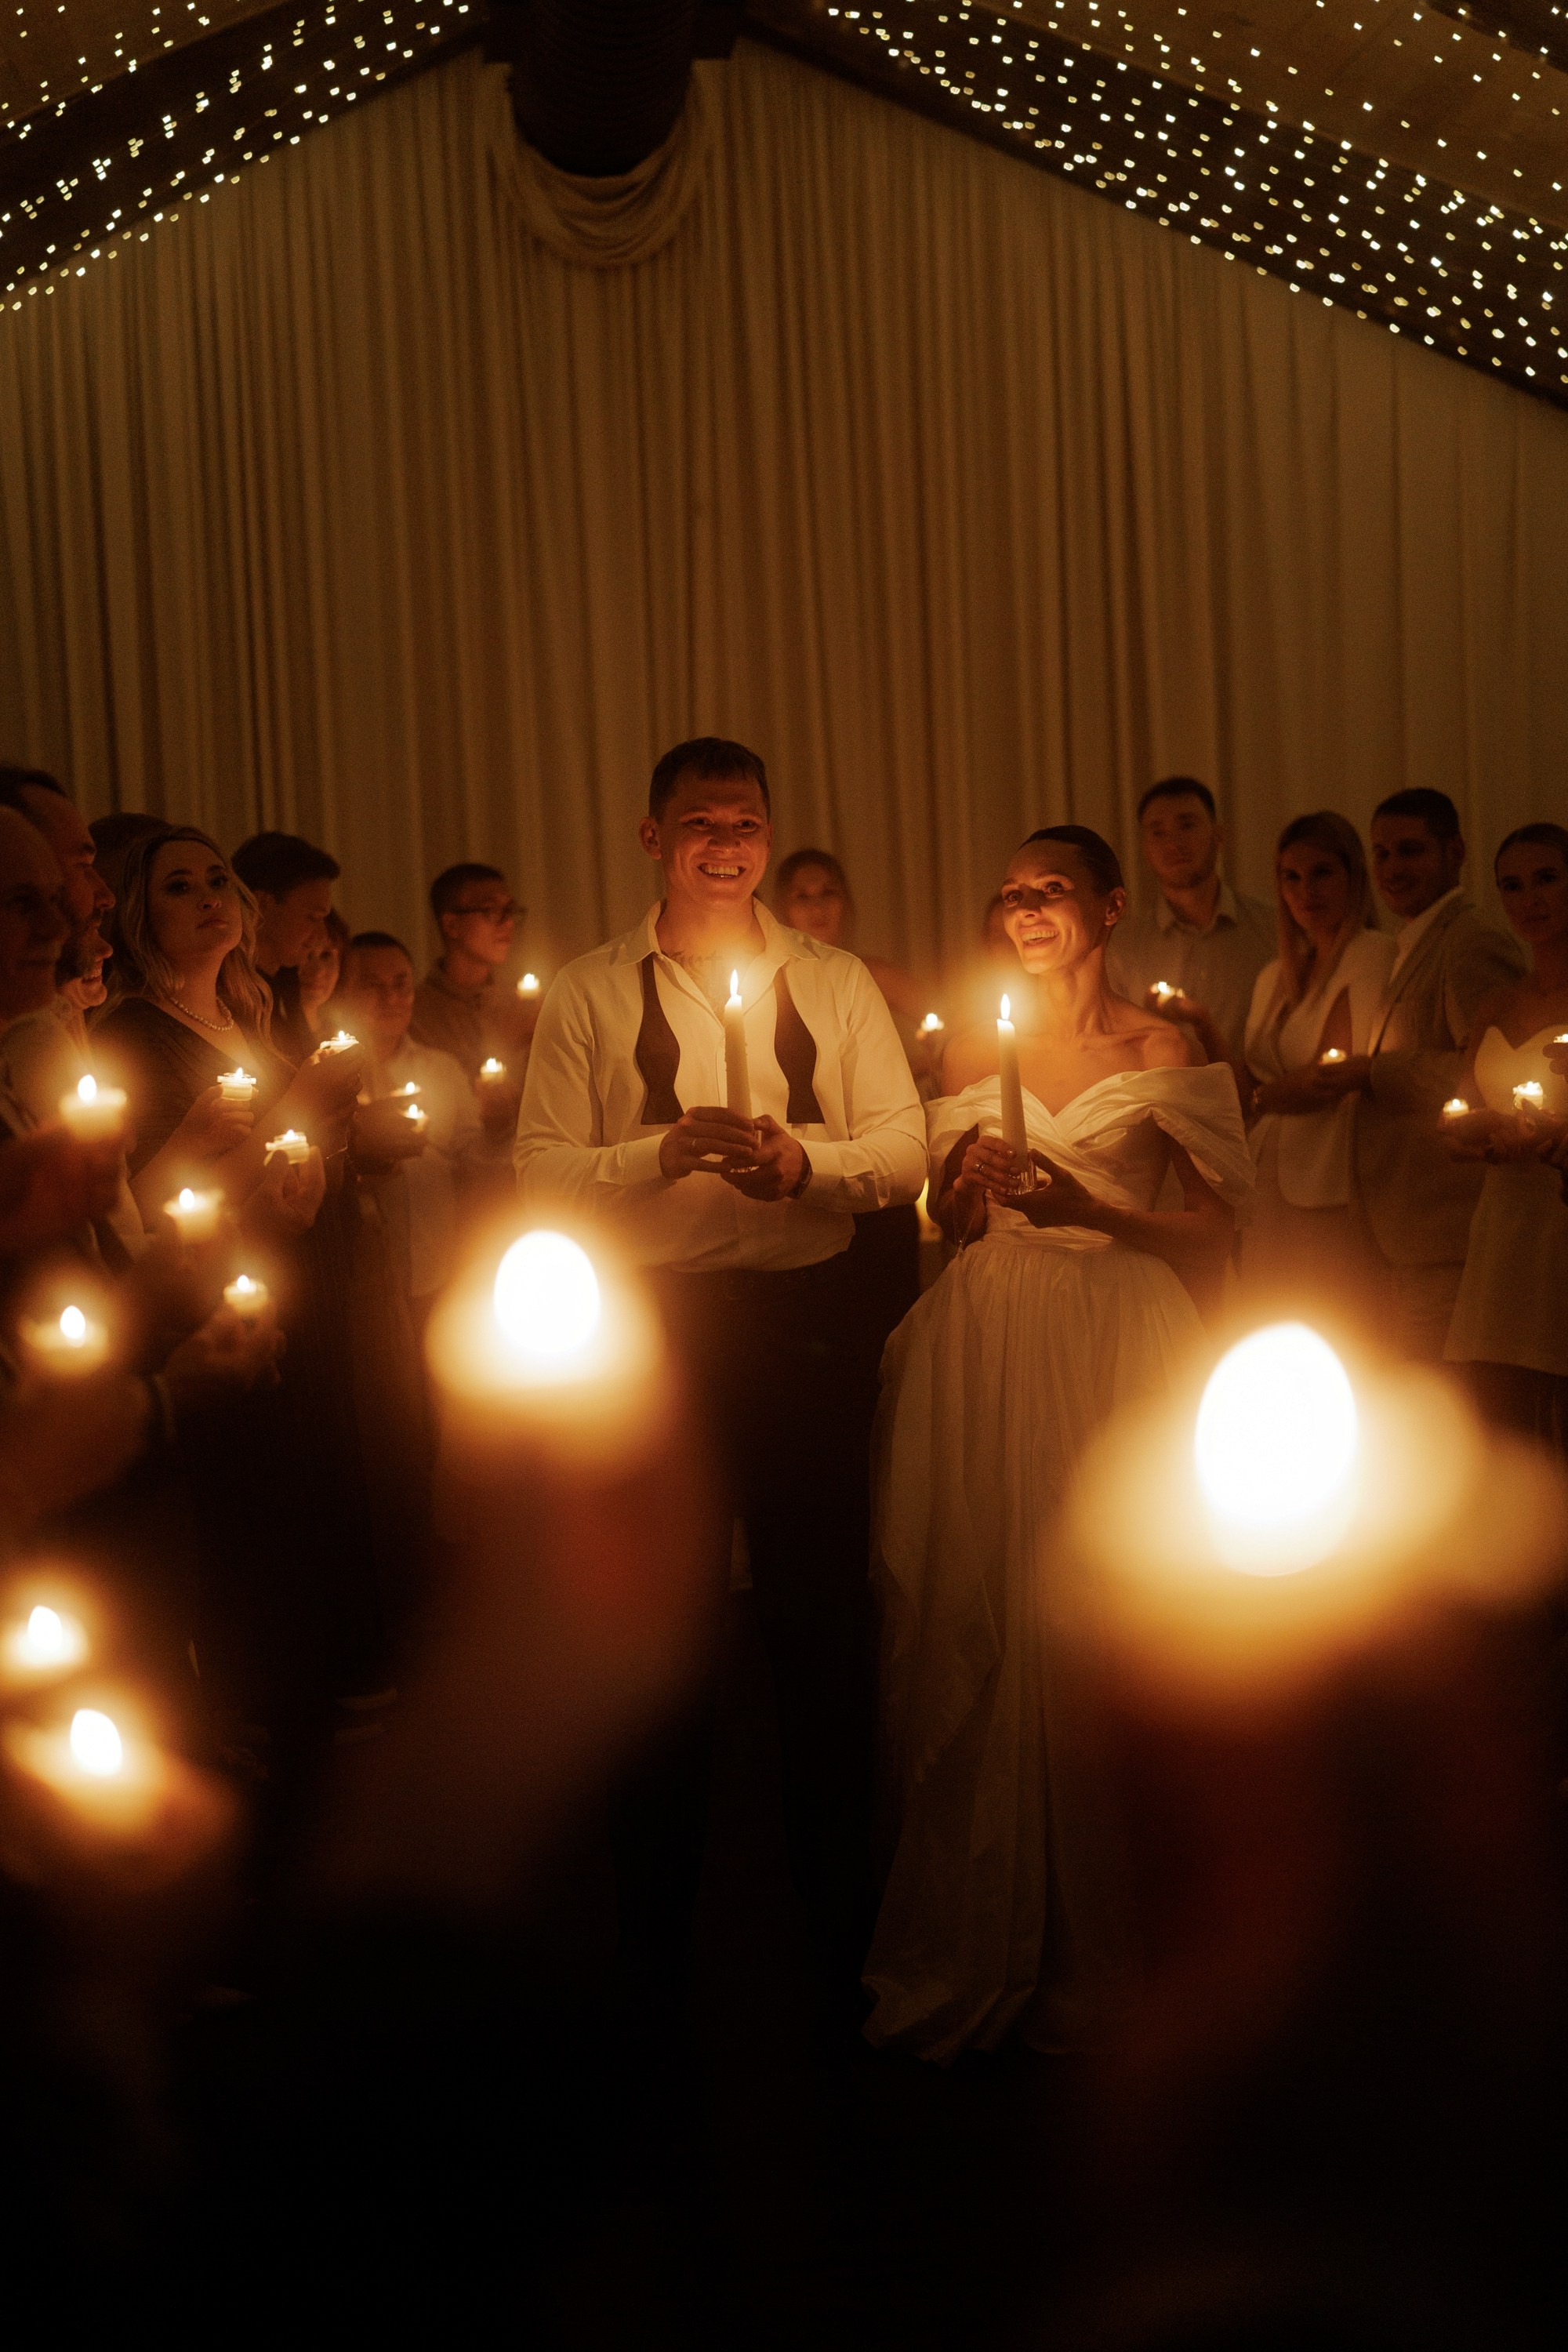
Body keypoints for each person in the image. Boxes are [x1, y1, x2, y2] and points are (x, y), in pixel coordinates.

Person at [516, 735, 926, 2036]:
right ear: (652, 839)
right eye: (701, 822)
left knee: (819, 1616)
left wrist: (806, 1168)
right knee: (661, 1623)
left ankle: (838, 1916)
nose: (729, 844)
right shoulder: (591, 992)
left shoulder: (834, 980)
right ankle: (653, 1936)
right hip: (666, 1327)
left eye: (745, 821)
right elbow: (536, 1170)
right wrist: (653, 1154)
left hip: (804, 1324)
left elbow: (904, 1149)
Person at [863, 824, 1252, 2063]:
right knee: (991, 1602)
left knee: (1118, 1611)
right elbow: (944, 1215)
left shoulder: (1161, 1047)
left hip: (1119, 1327)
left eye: (1053, 890)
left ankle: (1142, 1941)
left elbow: (1218, 1232)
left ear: (1111, 905)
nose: (1028, 909)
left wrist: (1093, 1206)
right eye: (1013, 893)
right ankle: (990, 1928)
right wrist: (966, 1184)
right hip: (992, 1334)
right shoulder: (979, 1046)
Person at [1309, 789, 1526, 1359]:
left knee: (1443, 1405)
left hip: (1446, 1233)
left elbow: (1488, 1073)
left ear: (1454, 851)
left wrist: (1374, 1072)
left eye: (1410, 851)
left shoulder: (1470, 939)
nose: (1392, 869)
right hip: (1405, 1237)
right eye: (1381, 854)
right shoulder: (1415, 941)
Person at [1236, 814, 1394, 1320]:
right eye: (1291, 877)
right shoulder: (1272, 975)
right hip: (1264, 1177)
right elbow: (1248, 1076)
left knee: (1331, 1319)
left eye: (1323, 873)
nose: (1307, 891)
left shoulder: (1373, 952)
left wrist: (1264, 1098)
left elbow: (1332, 1074)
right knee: (1264, 1319)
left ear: (1353, 876)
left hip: (1328, 1181)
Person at [1443, 824, 1568, 1451]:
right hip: (1504, 1223)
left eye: (1547, 879)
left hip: (1562, 1216)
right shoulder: (1495, 1003)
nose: (1530, 900)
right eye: (1512, 886)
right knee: (1502, 1423)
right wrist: (1478, 1136)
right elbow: (1461, 1115)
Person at [773, 848, 925, 1345]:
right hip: (812, 1172)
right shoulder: (771, 983)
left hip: (881, 1167)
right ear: (781, 909)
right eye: (802, 897)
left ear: (847, 904)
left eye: (828, 894)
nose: (817, 907)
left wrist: (923, 1063)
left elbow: (946, 1028)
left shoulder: (872, 974)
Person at [335, 930, 484, 1317]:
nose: (392, 999)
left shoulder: (442, 1069)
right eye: (374, 987)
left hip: (442, 1272)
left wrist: (501, 1125)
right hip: (359, 1283)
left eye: (401, 984)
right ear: (344, 994)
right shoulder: (329, 1079)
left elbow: (475, 1156)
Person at [1106, 776, 1276, 1062]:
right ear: (1145, 848)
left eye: (1187, 825)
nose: (1174, 843)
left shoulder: (1272, 930)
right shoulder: (1123, 949)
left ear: (1218, 835)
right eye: (1158, 832)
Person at [409, 861, 526, 1085]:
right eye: (491, 910)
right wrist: (508, 1041)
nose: (508, 923)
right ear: (452, 925)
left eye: (509, 910)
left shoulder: (515, 1002)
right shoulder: (418, 1014)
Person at [230, 830, 342, 1065]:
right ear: (261, 904)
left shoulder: (286, 987)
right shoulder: (230, 1000)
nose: (322, 935)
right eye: (312, 917)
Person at [299, 906, 349, 1040]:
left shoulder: (345, 1036)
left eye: (326, 955)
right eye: (307, 955)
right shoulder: (266, 1037)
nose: (318, 972)